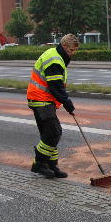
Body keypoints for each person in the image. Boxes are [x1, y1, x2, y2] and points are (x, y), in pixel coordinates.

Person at [26, 34, 79, 178]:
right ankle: (39, 163)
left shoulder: (57, 56)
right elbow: (56, 86)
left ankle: (51, 165)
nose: (72, 54)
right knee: (53, 132)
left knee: (49, 133)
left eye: (74, 51)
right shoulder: (55, 60)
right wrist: (68, 104)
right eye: (71, 50)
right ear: (64, 46)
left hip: (43, 99)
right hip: (40, 99)